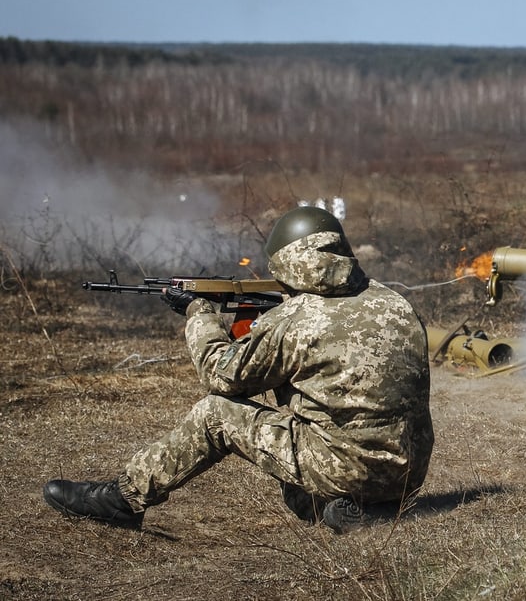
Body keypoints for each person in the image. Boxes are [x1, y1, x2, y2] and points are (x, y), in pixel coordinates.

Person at [43, 206, 434, 532]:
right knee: (302, 488)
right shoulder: (394, 302)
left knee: (215, 414)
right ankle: (364, 510)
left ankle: (124, 499)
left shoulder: (295, 319)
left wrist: (199, 312)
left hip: (345, 469)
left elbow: (221, 375)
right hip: (408, 472)